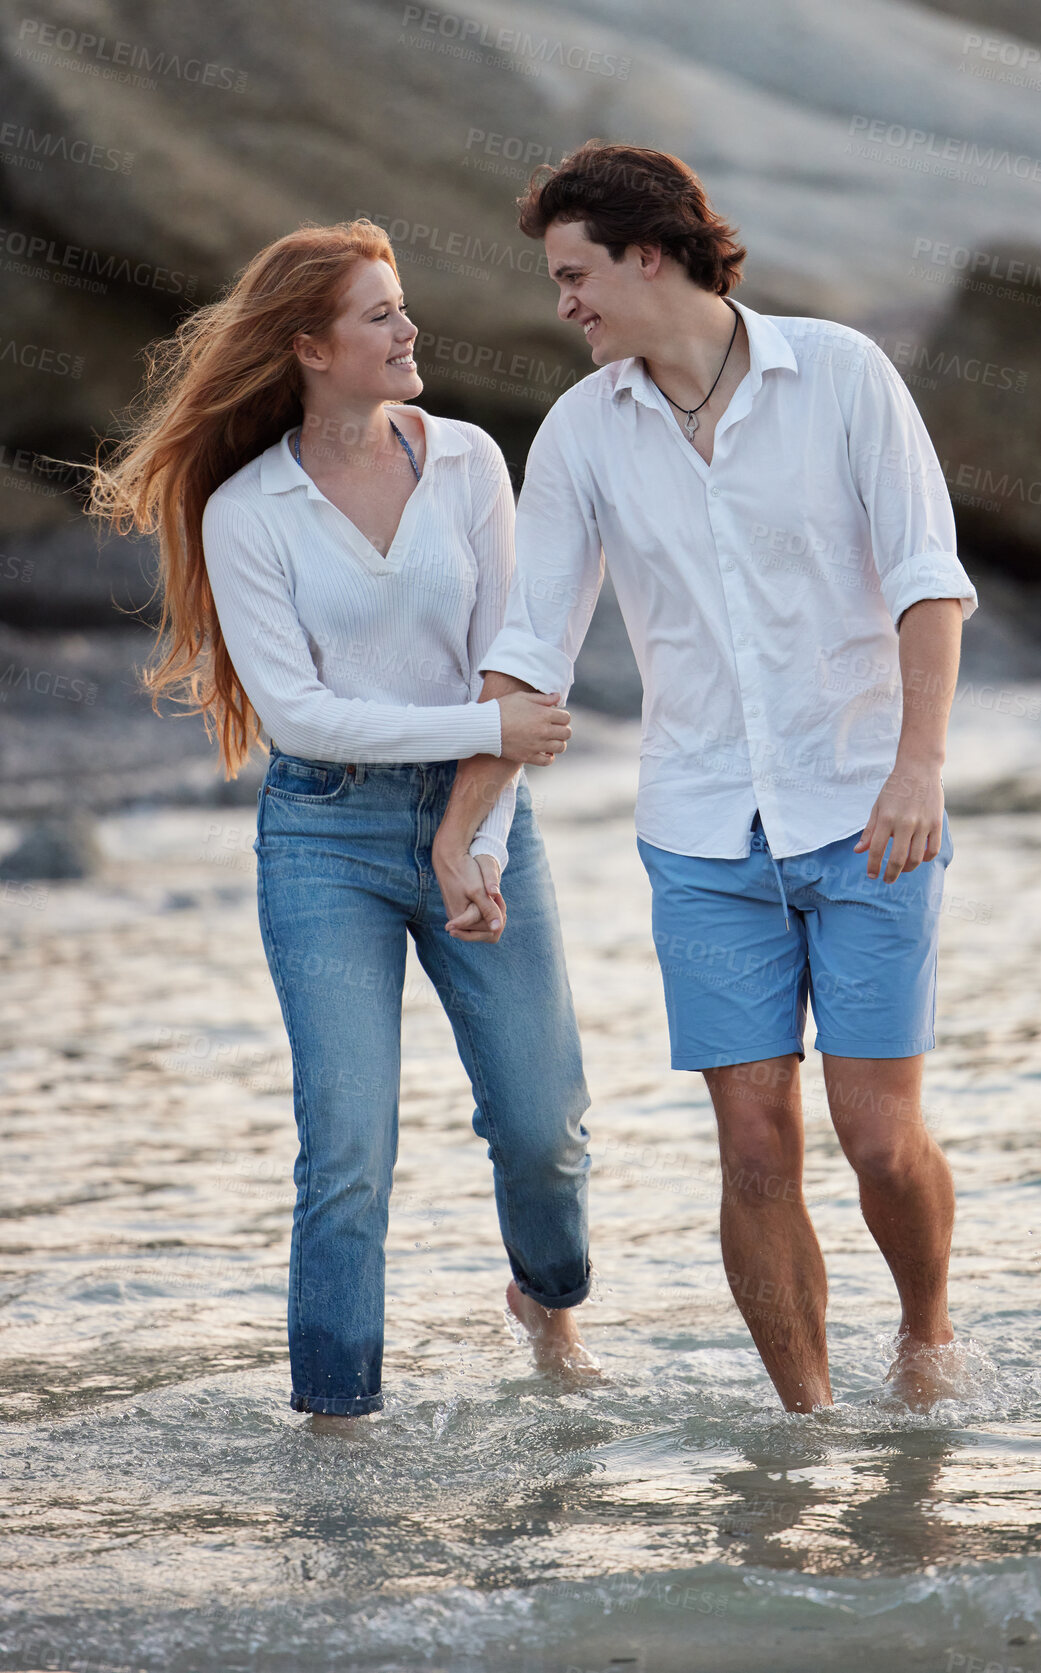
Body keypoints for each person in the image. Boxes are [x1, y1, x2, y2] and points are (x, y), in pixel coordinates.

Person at [432, 144, 980, 1413]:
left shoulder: (840, 375)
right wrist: (469, 826)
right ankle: (809, 1426)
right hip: (701, 833)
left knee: (882, 1142)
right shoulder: (581, 432)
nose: (562, 302)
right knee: (752, 1150)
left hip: (865, 812)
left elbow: (925, 581)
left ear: (650, 254)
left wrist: (920, 767)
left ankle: (928, 1327)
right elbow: (531, 648)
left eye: (576, 275)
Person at [87, 219, 598, 1426]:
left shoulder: (469, 461)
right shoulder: (245, 512)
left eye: (403, 306)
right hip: (325, 839)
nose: (410, 328)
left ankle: (550, 1298)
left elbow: (508, 666)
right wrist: (481, 739)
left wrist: (472, 826)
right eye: (381, 314)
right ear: (311, 346)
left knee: (544, 1128)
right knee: (347, 1152)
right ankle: (337, 1421)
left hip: (482, 819)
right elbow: (306, 721)